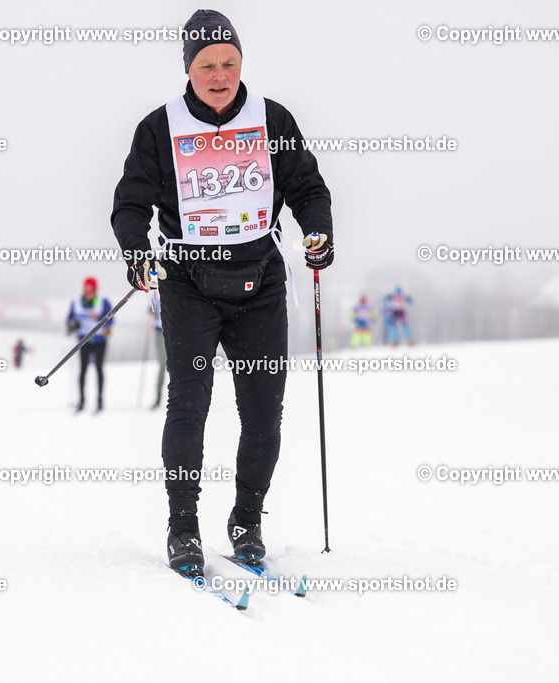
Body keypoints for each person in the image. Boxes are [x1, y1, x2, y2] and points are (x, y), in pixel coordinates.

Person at [110, 9, 333, 578]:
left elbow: (306, 186)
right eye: (206, 64)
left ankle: (246, 521)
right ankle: (183, 529)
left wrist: (318, 231)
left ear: (241, 63)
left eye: (229, 62)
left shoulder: (272, 119)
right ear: (188, 68)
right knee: (190, 406)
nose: (218, 74)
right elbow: (131, 202)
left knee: (263, 415)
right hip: (188, 283)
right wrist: (137, 249)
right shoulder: (158, 129)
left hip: (260, 282)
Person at [66, 277, 114, 413]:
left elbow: (111, 320)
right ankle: (81, 401)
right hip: (83, 340)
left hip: (100, 340)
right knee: (83, 370)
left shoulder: (103, 301)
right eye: (86, 291)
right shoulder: (76, 301)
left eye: (91, 291)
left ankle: (99, 400)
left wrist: (98, 318)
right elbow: (70, 319)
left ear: (95, 290)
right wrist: (72, 325)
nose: (89, 293)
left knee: (99, 369)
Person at [150, 296, 167, 409]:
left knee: (177, 365)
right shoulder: (155, 294)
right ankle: (158, 397)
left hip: (173, 330)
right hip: (159, 331)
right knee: (162, 364)